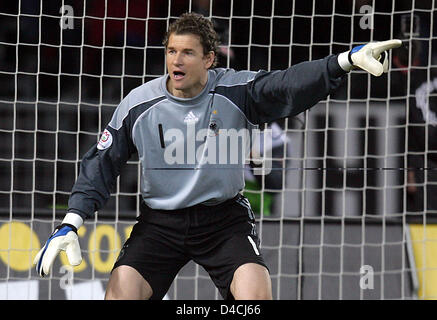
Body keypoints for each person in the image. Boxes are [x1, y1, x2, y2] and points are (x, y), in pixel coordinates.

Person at [33, 12, 401, 300]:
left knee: (255, 293)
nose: (176, 60)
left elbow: (288, 84)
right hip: (161, 223)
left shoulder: (236, 91)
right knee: (121, 290)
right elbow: (102, 163)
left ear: (209, 59)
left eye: (188, 52)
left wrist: (344, 61)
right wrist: (71, 222)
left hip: (223, 222)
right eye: (171, 51)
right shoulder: (139, 104)